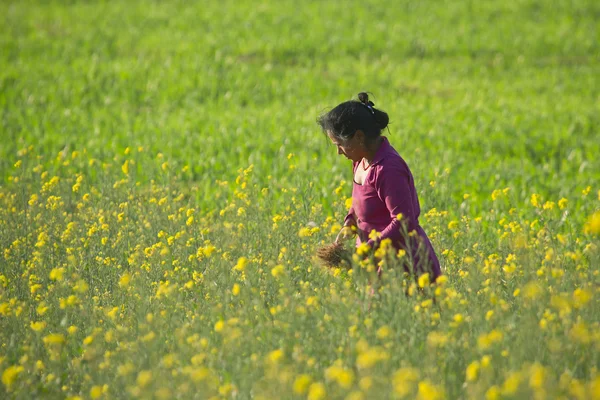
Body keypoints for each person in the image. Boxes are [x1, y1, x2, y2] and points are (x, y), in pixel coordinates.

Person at [317, 92, 442, 282]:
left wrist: (366, 249)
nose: (338, 152)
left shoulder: (388, 169)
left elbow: (404, 222)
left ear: (359, 137)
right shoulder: (360, 162)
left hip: (403, 265)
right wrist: (349, 223)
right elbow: (361, 201)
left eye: (340, 144)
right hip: (376, 262)